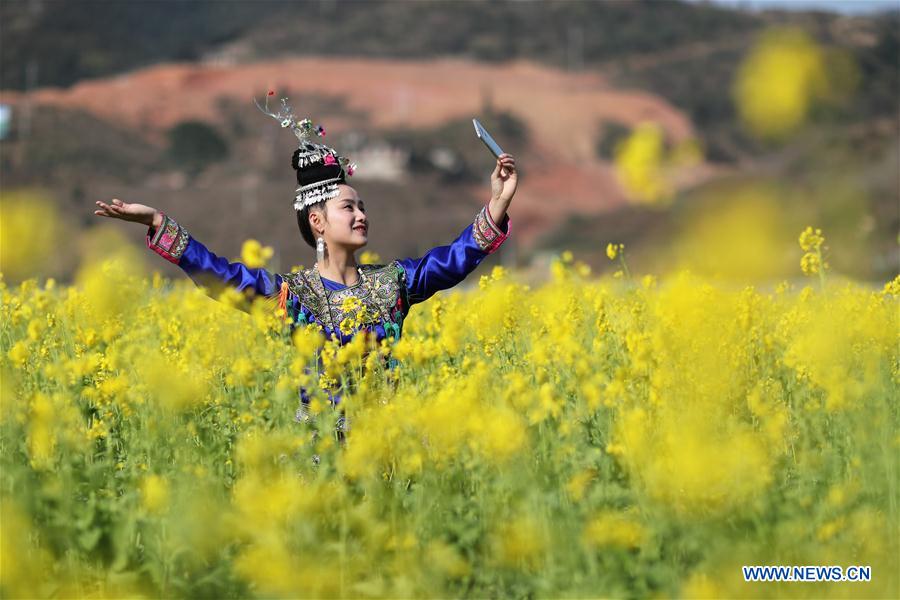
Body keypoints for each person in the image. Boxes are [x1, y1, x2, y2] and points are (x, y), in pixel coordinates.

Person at [93, 92, 518, 445]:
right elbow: (218, 276)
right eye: (347, 207)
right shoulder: (292, 296)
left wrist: (498, 201)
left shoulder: (394, 283)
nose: (361, 216)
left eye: (363, 207)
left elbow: (454, 259)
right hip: (316, 454)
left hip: (386, 447)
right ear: (317, 222)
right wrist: (156, 223)